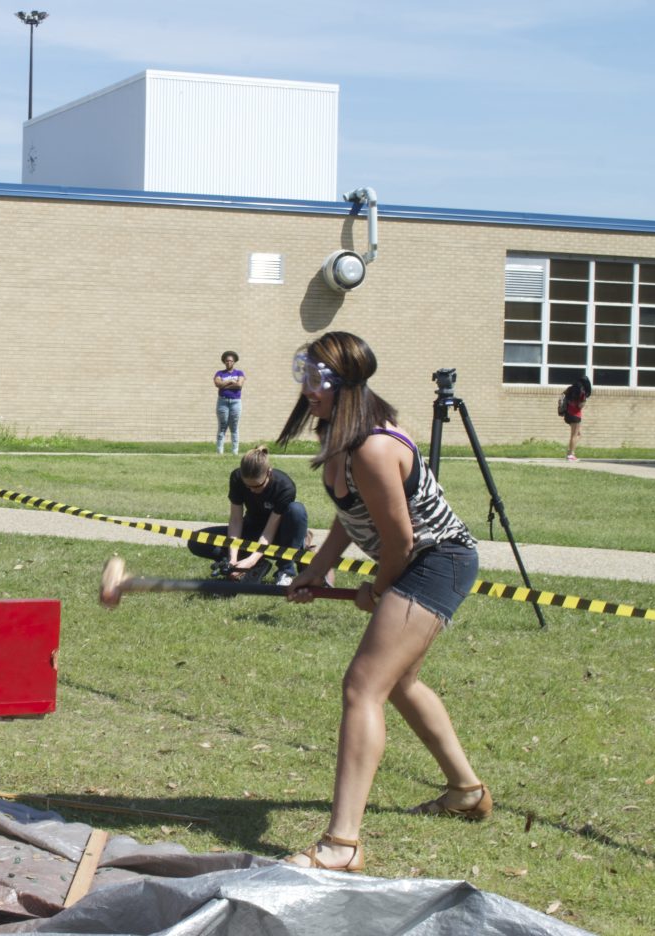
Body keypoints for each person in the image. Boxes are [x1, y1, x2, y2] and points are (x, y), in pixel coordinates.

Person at [277, 331, 487, 874]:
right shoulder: (339, 436)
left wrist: (376, 589)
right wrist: (317, 569)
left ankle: (342, 844)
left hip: (437, 561)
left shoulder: (372, 446)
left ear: (345, 384)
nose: (307, 388)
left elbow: (400, 543)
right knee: (400, 683)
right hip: (416, 560)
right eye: (304, 372)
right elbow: (354, 517)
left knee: (363, 685)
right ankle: (466, 791)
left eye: (317, 378)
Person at [187, 446, 309, 586]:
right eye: (248, 486)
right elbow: (235, 520)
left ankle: (286, 571)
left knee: (297, 510)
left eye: (257, 486)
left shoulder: (285, 487)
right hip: (251, 530)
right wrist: (233, 558)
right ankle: (258, 565)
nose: (252, 490)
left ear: (269, 473)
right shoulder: (237, 478)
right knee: (196, 541)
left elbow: (269, 532)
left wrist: (251, 561)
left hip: (278, 538)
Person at [214, 351, 244, 455]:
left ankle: (235, 452)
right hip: (223, 402)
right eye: (227, 361)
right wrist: (231, 382)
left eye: (231, 361)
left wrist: (224, 385)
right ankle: (219, 452)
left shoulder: (239, 373)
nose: (229, 363)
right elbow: (217, 384)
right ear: (224, 362)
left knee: (234, 427)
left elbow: (239, 385)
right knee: (222, 426)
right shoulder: (219, 373)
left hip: (235, 402)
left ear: (234, 362)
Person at [564, 376, 591, 461]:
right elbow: (580, 406)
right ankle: (571, 455)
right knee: (574, 435)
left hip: (567, 414)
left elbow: (563, 396)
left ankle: (570, 452)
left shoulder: (569, 389)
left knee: (578, 435)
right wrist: (584, 401)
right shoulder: (582, 393)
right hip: (576, 415)